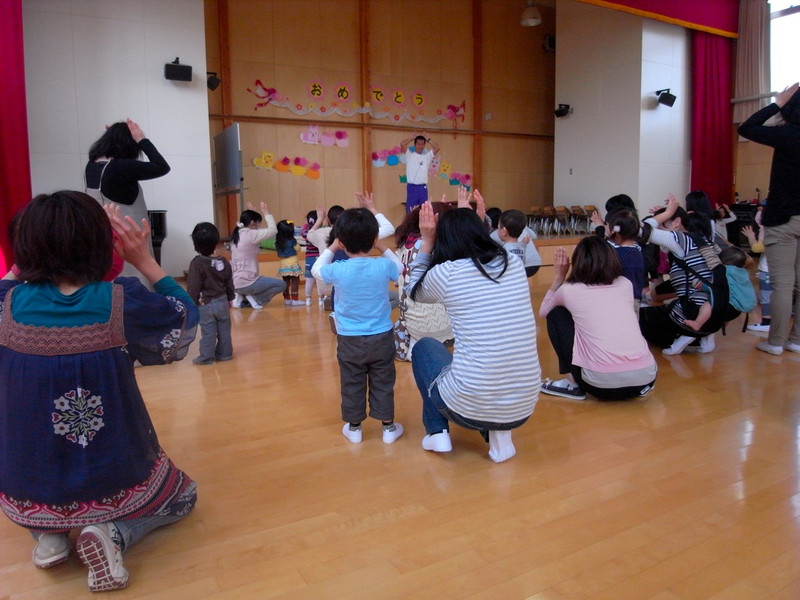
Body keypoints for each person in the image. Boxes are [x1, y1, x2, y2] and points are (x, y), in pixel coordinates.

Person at [0, 192, 198, 592]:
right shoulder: (120, 299)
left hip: (28, 484)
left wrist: (38, 245)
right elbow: (183, 322)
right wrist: (143, 259)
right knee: (183, 495)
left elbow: (8, 281)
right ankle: (113, 532)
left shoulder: (9, 303)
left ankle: (49, 535)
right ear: (101, 245)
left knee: (37, 475)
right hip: (111, 471)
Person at [406, 189, 541, 463]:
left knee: (425, 347)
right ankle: (498, 434)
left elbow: (413, 291)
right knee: (486, 366)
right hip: (524, 404)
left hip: (468, 404)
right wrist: (475, 222)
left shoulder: (447, 273)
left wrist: (427, 242)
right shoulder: (513, 264)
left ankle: (437, 431)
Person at [311, 208, 404, 444]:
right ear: (374, 238)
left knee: (351, 382)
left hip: (349, 339)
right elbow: (400, 267)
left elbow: (316, 270)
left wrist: (334, 246)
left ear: (342, 241)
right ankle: (388, 428)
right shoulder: (382, 266)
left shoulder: (338, 269)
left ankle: (354, 429)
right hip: (382, 337)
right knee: (383, 381)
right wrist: (380, 246)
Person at [539, 237, 657, 400]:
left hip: (600, 386)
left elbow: (544, 312)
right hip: (646, 379)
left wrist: (559, 277)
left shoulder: (569, 290)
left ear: (578, 261)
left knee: (556, 313)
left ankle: (572, 384)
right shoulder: (625, 284)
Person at [737, 82, 800, 355]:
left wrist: (776, 104)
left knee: (783, 284)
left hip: (783, 219)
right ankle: (796, 340)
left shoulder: (788, 134)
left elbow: (746, 128)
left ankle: (775, 342)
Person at [85, 118, 170, 284]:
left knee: (110, 281)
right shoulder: (122, 167)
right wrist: (141, 139)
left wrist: (115, 134)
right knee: (136, 281)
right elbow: (162, 167)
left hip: (101, 235)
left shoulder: (92, 166)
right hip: (127, 236)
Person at [638, 195, 719, 355]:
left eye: (661, 225)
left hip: (692, 308)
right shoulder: (702, 239)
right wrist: (665, 215)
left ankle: (686, 336)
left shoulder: (681, 239)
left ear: (676, 222)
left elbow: (640, 231)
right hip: (713, 305)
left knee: (641, 319)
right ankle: (703, 335)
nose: (659, 231)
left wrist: (666, 213)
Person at [393, 203, 453, 361]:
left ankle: (415, 344)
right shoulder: (437, 246)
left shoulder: (404, 244)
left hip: (410, 319)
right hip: (436, 325)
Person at [188, 222, 234, 365]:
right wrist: (230, 297)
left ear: (196, 245)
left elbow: (194, 285)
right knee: (224, 330)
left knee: (208, 331)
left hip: (205, 304)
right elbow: (229, 281)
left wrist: (191, 302)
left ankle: (207, 357)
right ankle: (225, 354)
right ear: (216, 242)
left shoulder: (197, 263)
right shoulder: (223, 261)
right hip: (222, 301)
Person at [230, 202, 286, 310]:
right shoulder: (251, 235)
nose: (258, 228)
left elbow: (254, 231)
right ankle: (255, 298)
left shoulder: (236, 235)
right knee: (281, 285)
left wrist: (252, 212)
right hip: (246, 281)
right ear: (252, 223)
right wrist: (266, 213)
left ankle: (242, 296)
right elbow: (273, 230)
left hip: (234, 282)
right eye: (257, 225)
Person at [605, 208, 646, 309]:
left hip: (619, 300)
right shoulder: (638, 250)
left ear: (617, 234)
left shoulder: (616, 254)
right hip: (635, 298)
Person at [742, 218, 771, 332]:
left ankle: (767, 322)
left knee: (766, 297)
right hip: (781, 270)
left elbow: (756, 248)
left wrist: (751, 236)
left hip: (768, 270)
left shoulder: (770, 231)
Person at [493, 209, 542, 277]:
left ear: (504, 231)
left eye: (498, 227)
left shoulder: (504, 249)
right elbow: (533, 236)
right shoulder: (521, 246)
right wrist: (524, 243)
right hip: (527, 266)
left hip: (513, 273)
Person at [400, 134, 440, 213]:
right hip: (412, 187)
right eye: (418, 144)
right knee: (411, 211)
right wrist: (411, 137)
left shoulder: (427, 156)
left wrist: (428, 139)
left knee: (424, 210)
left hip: (422, 188)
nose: (420, 146)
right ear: (415, 145)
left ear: (424, 145)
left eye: (422, 144)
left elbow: (437, 147)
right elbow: (402, 144)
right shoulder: (409, 155)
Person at [275, 219, 304, 306]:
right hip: (293, 264)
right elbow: (298, 249)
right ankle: (295, 299)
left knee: (286, 282)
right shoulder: (292, 241)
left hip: (283, 266)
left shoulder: (278, 242)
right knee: (295, 281)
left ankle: (286, 298)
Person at [301, 210, 322, 306]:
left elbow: (304, 232)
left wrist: (307, 224)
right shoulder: (320, 232)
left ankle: (308, 299)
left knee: (309, 281)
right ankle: (321, 299)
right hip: (319, 258)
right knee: (319, 280)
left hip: (309, 259)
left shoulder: (306, 232)